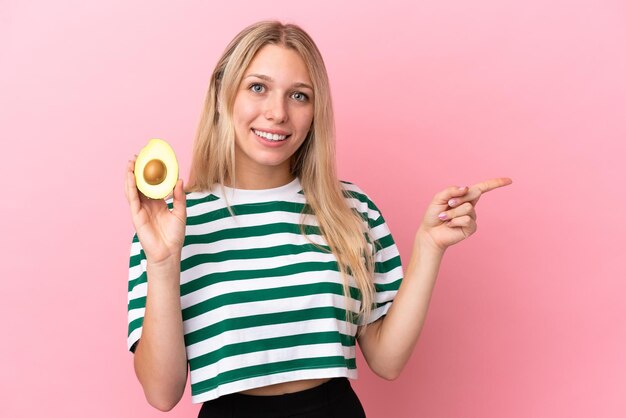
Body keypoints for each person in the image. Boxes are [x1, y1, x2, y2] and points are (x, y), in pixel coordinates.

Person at [124, 20, 512, 418]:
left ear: (315, 111)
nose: (278, 113)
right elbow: (161, 393)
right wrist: (164, 263)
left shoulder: (350, 208)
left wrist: (430, 246)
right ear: (225, 96)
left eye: (299, 96)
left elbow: (387, 360)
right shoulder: (170, 224)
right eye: (258, 87)